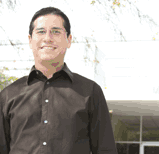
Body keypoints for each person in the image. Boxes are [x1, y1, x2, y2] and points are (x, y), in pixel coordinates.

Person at [0, 7, 117, 154]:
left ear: (69, 40)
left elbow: (105, 150)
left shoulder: (90, 92)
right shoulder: (8, 95)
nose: (48, 38)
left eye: (56, 31)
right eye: (41, 31)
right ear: (30, 40)